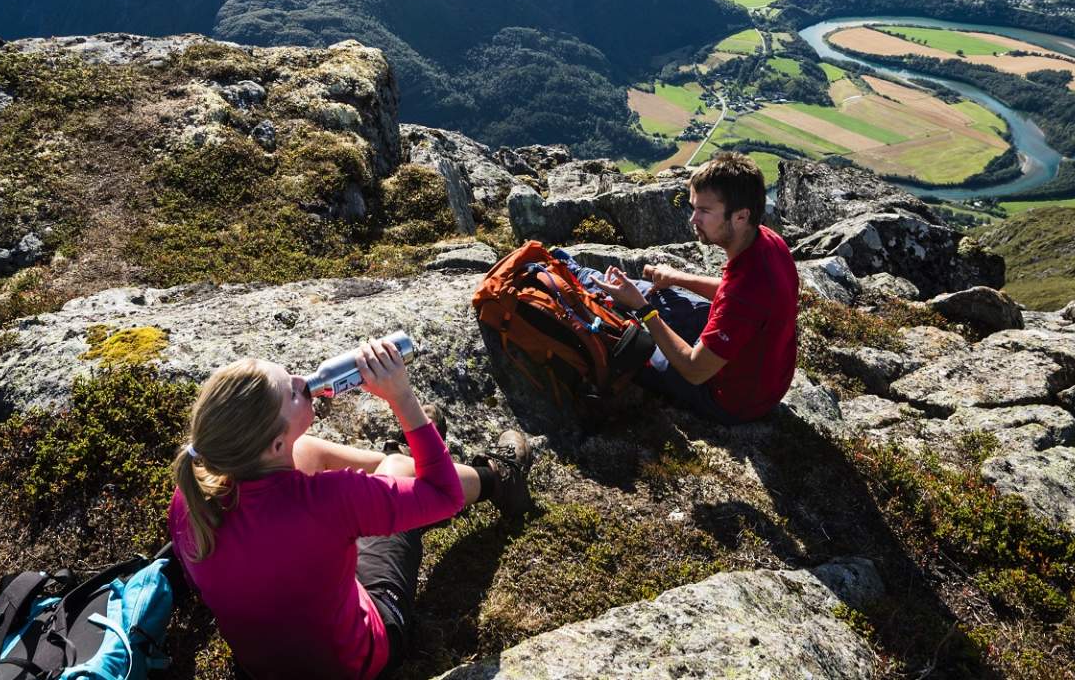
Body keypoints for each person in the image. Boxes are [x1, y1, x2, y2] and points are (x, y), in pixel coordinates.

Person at [169, 339, 532, 679]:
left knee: (306, 449)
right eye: (291, 393)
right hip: (356, 661)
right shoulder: (330, 499)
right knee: (398, 470)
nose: (301, 382)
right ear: (275, 444)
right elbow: (445, 495)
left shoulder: (191, 498)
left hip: (260, 667)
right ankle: (500, 479)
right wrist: (403, 398)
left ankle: (402, 475)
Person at [591, 151, 799, 424]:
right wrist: (675, 277)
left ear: (740, 217)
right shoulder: (768, 242)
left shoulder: (746, 293)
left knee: (627, 342)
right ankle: (586, 278)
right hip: (763, 375)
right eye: (694, 208)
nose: (693, 219)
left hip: (729, 399)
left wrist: (643, 310)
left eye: (704, 211)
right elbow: (729, 293)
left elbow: (694, 370)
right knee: (655, 292)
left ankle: (580, 294)